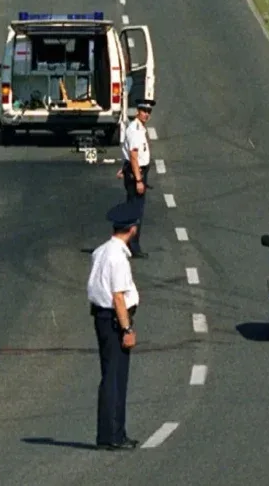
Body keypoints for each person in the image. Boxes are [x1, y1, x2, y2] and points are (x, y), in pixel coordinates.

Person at [88, 201, 143, 451]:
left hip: (101, 317)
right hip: (114, 319)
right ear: (132, 229)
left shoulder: (100, 251)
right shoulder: (118, 258)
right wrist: (128, 329)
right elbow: (118, 296)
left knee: (110, 376)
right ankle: (113, 434)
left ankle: (109, 433)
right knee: (115, 378)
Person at [116, 99, 153, 259]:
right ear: (138, 111)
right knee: (135, 211)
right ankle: (132, 246)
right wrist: (138, 180)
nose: (146, 114)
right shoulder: (135, 130)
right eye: (144, 111)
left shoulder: (139, 128)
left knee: (134, 209)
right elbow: (134, 155)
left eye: (148, 112)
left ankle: (128, 244)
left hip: (133, 170)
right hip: (136, 173)